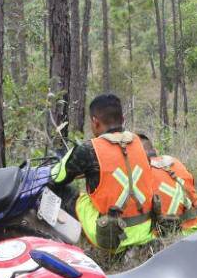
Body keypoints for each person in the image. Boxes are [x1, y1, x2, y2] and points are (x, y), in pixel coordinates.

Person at [51, 94, 156, 252]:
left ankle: (71, 246)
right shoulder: (139, 143)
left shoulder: (89, 149)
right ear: (122, 118)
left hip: (111, 237)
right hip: (146, 230)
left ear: (95, 122)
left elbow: (56, 177)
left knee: (64, 192)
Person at [138, 133, 197, 234]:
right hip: (194, 228)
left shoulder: (141, 171)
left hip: (162, 235)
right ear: (154, 150)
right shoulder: (176, 163)